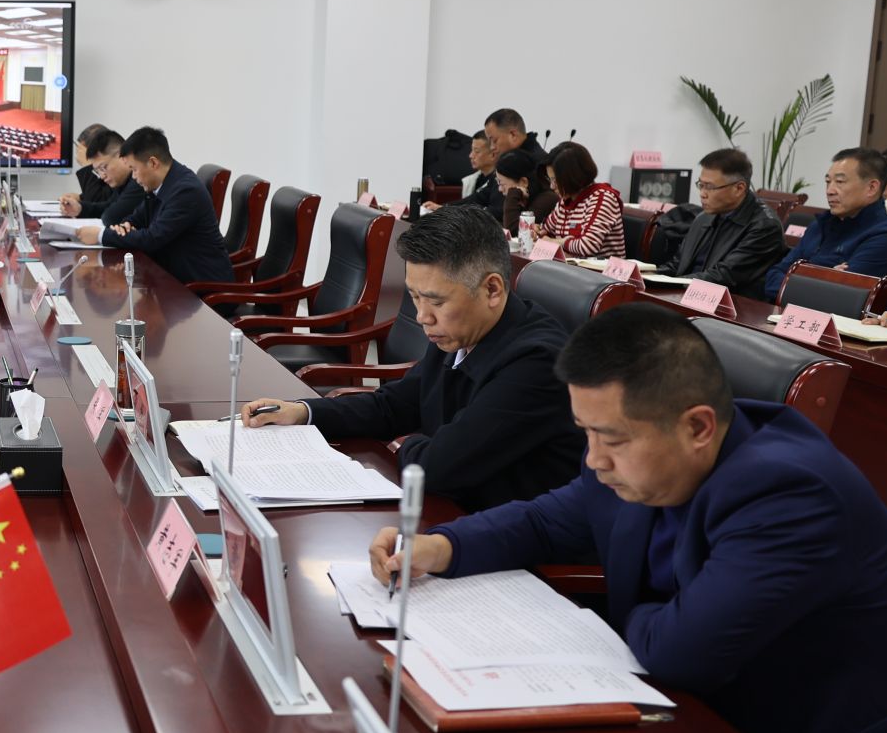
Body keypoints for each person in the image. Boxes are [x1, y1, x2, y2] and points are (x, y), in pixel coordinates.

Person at [368, 304, 887, 733]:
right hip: (718, 711)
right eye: (586, 433)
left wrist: (610, 621)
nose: (594, 458)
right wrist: (441, 545)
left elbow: (681, 653)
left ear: (698, 427)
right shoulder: (643, 452)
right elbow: (549, 520)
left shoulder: (790, 494)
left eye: (611, 439)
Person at [240, 207, 581, 510]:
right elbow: (393, 406)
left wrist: (407, 445)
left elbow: (436, 468)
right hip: (452, 515)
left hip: (510, 543)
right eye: (415, 297)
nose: (421, 317)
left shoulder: (537, 362)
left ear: (492, 289)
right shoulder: (461, 331)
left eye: (435, 301)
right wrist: (304, 412)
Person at [74, 126, 234, 285]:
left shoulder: (185, 190)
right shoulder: (162, 184)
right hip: (172, 278)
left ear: (153, 163)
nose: (134, 177)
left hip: (202, 287)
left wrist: (101, 236)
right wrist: (125, 226)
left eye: (134, 169)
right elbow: (138, 217)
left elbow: (152, 238)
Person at [763, 147, 887, 313]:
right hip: (793, 318)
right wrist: (824, 275)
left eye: (840, 182)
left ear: (871, 188)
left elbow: (833, 300)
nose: (830, 191)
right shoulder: (820, 226)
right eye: (828, 182)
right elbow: (773, 277)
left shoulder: (886, 239)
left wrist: (802, 274)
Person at [661, 147, 784, 299]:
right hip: (686, 294)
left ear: (739, 188)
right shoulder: (704, 217)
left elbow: (723, 276)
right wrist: (647, 275)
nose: (702, 194)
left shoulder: (765, 226)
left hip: (726, 304)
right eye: (701, 185)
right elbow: (677, 264)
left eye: (710, 187)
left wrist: (671, 284)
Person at [537, 141, 624, 259]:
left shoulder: (602, 198)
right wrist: (537, 231)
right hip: (569, 268)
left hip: (600, 270)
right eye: (550, 179)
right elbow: (545, 232)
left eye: (556, 180)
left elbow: (589, 245)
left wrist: (557, 242)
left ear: (572, 177)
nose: (552, 186)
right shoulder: (566, 200)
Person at [86, 128, 146, 229]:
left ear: (121, 156)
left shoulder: (139, 180)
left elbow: (111, 217)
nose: (102, 176)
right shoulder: (123, 181)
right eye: (97, 171)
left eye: (103, 168)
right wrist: (80, 209)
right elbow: (109, 205)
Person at [493, 148, 555, 234]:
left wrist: (513, 193)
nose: (500, 189)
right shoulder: (523, 197)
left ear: (523, 182)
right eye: (498, 182)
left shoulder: (547, 199)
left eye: (502, 184)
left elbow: (513, 231)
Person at [59, 124, 115, 218]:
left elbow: (96, 200)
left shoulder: (115, 171)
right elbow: (104, 195)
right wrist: (81, 198)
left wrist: (88, 164)